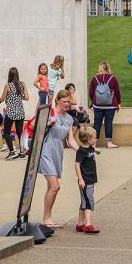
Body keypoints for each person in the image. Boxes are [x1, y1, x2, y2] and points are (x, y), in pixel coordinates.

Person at [38, 89, 76, 231]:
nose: (67, 104)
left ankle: (48, 217)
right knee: (55, 186)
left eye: (69, 101)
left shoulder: (69, 119)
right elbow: (36, 127)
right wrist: (49, 122)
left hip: (58, 150)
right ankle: (46, 218)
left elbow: (70, 140)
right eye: (64, 101)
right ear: (58, 101)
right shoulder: (50, 112)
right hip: (46, 149)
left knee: (51, 187)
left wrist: (82, 151)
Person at [88, 61, 121, 149]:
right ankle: (109, 143)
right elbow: (117, 92)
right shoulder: (113, 78)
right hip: (110, 105)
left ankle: (94, 143)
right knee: (108, 123)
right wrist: (118, 103)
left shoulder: (94, 78)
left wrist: (94, 101)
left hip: (97, 105)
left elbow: (91, 92)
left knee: (97, 123)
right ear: (108, 68)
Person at [74, 125, 100, 234]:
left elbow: (93, 149)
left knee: (84, 201)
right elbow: (77, 165)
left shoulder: (90, 148)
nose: (95, 139)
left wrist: (96, 150)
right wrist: (80, 179)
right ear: (88, 139)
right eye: (94, 137)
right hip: (85, 180)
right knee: (89, 202)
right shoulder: (81, 151)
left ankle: (80, 224)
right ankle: (88, 225)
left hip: (90, 179)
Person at [0, 67, 30, 159]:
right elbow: (27, 98)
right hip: (20, 112)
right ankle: (22, 153)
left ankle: (12, 152)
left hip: (11, 113)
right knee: (19, 133)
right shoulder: (22, 84)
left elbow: (2, 99)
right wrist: (18, 97)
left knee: (6, 133)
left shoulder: (8, 86)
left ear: (10, 75)